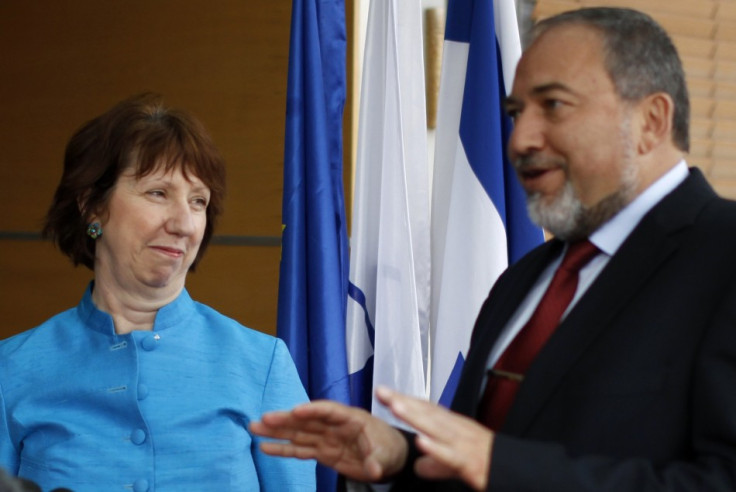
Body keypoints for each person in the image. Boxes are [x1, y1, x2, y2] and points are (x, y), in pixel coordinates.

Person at [250, 7, 736, 491]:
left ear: (651, 120)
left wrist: (501, 465)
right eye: (514, 114)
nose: (520, 139)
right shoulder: (522, 282)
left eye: (554, 106)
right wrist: (404, 457)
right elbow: (489, 460)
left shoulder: (723, 257)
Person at [0, 93, 316, 491]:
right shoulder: (9, 371)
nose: (184, 223)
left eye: (198, 201)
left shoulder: (263, 365)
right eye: (158, 193)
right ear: (92, 207)